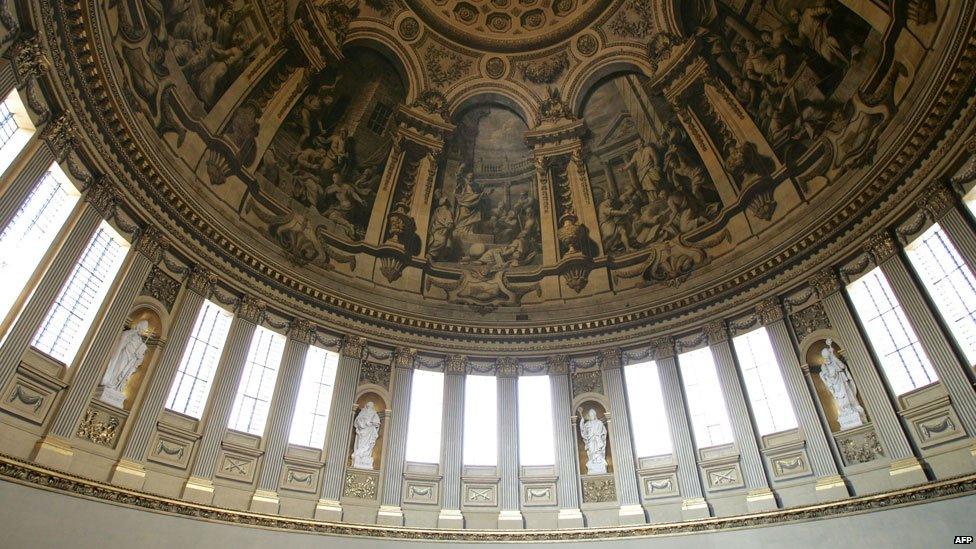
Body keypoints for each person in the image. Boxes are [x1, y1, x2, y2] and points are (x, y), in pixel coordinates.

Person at [819, 339, 866, 429]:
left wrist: (834, 358)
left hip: (842, 382)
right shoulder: (823, 366)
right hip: (835, 385)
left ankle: (853, 410)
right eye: (826, 356)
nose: (827, 358)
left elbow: (842, 366)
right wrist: (830, 375)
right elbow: (826, 376)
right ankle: (845, 412)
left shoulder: (834, 360)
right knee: (840, 400)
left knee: (849, 395)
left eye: (828, 355)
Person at [351, 402, 381, 469]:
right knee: (361, 443)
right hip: (363, 431)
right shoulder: (363, 412)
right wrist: (364, 423)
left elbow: (377, 423)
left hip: (370, 430)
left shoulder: (374, 413)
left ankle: (365, 455)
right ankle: (359, 455)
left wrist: (372, 423)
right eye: (369, 406)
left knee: (368, 444)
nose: (370, 407)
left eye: (371, 406)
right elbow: (358, 420)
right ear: (367, 406)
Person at [577, 408, 608, 475]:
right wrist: (582, 422)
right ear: (589, 416)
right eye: (590, 415)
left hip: (598, 440)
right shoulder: (587, 423)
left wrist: (599, 435)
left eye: (592, 414)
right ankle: (593, 461)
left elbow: (604, 432)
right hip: (591, 440)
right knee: (592, 451)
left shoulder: (599, 423)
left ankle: (599, 461)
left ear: (595, 415)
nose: (592, 416)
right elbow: (584, 431)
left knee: (598, 451)